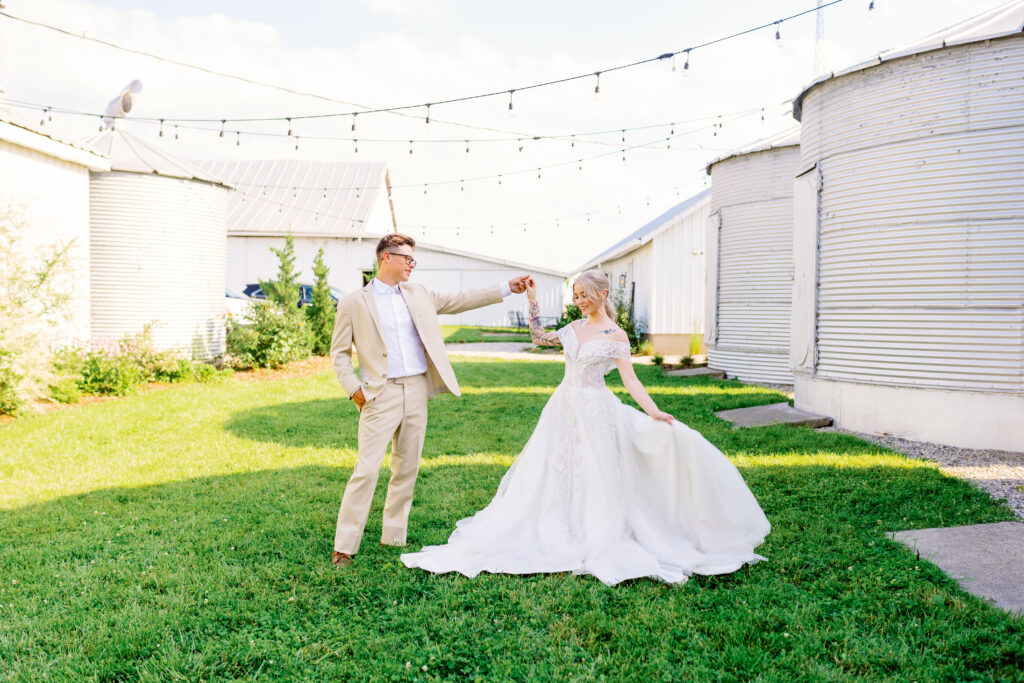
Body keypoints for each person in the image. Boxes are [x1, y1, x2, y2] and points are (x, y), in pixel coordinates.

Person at [401, 269, 770, 585]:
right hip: (563, 406)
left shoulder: (617, 337)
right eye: (575, 295)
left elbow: (631, 382)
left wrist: (654, 411)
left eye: (584, 294)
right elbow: (539, 339)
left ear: (603, 294)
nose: (579, 300)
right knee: (555, 470)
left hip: (597, 409)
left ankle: (599, 530)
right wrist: (532, 299)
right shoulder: (574, 327)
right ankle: (558, 524)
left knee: (599, 472)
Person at [329, 233, 529, 568]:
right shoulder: (353, 302)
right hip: (380, 394)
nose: (411, 265)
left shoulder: (419, 293)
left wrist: (507, 287)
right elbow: (338, 354)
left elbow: (462, 298)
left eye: (413, 260)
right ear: (385, 258)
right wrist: (355, 390)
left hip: (417, 389)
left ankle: (393, 535)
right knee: (366, 470)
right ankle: (344, 547)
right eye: (406, 258)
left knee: (406, 467)